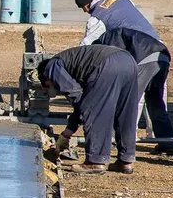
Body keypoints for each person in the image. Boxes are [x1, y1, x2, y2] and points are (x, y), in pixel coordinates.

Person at [38, 44, 140, 174]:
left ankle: (95, 162)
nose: (52, 88)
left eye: (47, 85)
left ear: (45, 76)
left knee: (95, 112)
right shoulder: (75, 65)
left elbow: (78, 98)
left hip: (106, 64)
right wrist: (66, 134)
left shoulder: (51, 67)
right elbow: (82, 101)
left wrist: (71, 128)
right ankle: (126, 161)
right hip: (128, 61)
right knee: (125, 112)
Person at [96, 27, 173, 155]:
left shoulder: (108, 39)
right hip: (162, 58)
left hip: (146, 59)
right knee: (155, 102)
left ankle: (111, 140)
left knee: (127, 102)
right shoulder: (117, 34)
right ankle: (168, 143)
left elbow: (117, 61)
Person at [76, 0, 159, 45]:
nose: (84, 11)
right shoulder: (123, 0)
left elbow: (86, 47)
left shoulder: (98, 17)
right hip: (159, 45)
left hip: (142, 52)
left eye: (83, 8)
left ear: (87, 5)